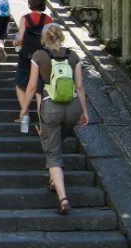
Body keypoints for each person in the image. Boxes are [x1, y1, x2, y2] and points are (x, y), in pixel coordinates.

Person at [19, 23, 89, 214]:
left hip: (51, 107)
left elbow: (32, 87)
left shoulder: (39, 56)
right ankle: (53, 178)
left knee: (53, 154)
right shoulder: (73, 56)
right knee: (55, 141)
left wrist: (24, 109)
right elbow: (80, 87)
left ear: (44, 38)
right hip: (72, 107)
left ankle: (63, 198)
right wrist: (84, 111)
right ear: (61, 36)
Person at [14, 0, 53, 122]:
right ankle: (43, 118)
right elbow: (51, 40)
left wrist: (15, 43)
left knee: (20, 84)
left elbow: (20, 39)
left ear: (30, 3)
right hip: (43, 56)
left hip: (26, 55)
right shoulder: (48, 20)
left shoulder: (25, 18)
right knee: (39, 88)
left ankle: (24, 114)